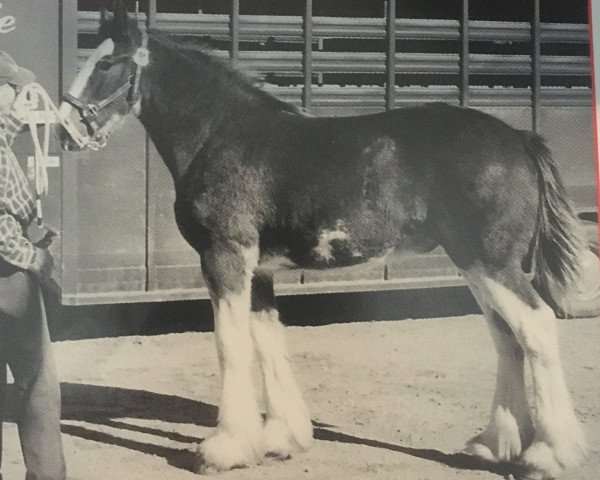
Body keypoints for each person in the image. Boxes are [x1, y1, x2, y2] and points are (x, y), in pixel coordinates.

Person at [0, 51, 66, 480]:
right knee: (36, 384)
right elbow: (13, 218)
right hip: (6, 281)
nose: (17, 98)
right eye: (11, 90)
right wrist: (37, 257)